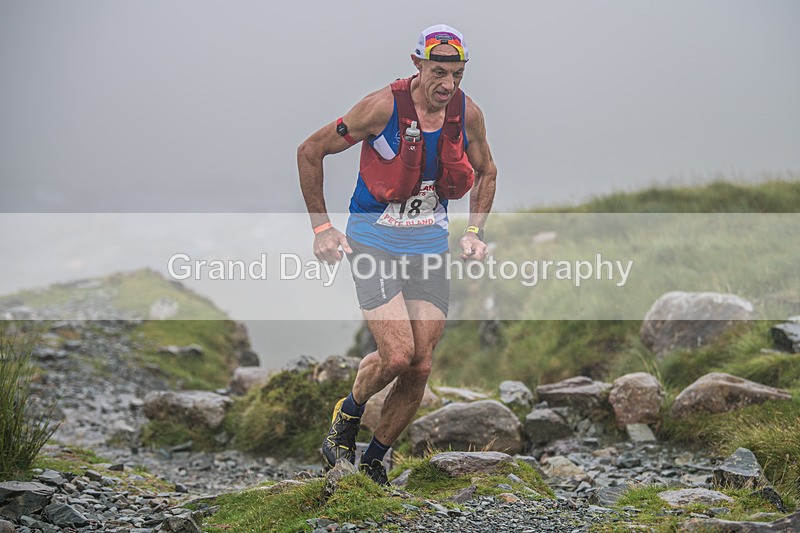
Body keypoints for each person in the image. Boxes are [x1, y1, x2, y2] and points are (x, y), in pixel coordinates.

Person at [297, 24, 497, 485]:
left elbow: (487, 172)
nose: (448, 84)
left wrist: (474, 230)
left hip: (427, 244)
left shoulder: (468, 116)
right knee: (397, 356)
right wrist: (322, 227)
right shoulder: (382, 107)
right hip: (374, 240)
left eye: (458, 75)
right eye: (439, 72)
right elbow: (310, 151)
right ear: (418, 65)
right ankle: (346, 417)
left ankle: (375, 457)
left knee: (421, 363)